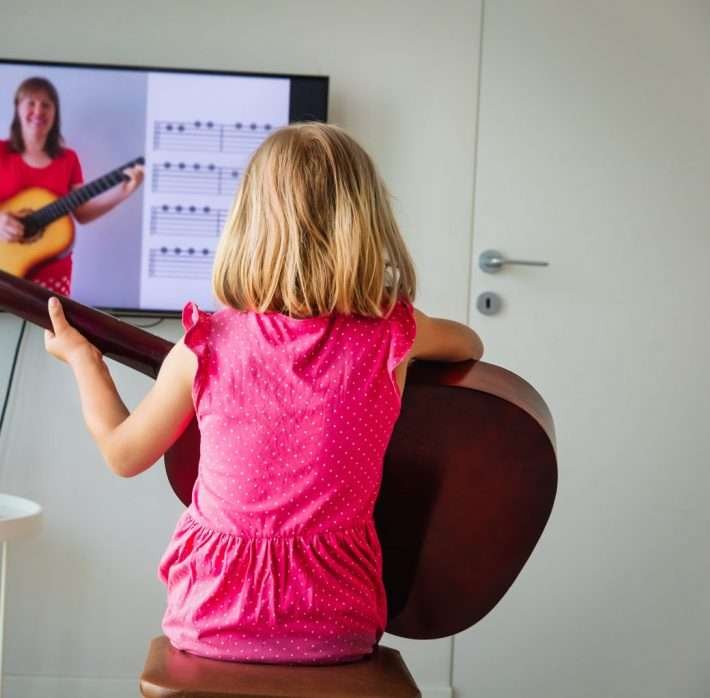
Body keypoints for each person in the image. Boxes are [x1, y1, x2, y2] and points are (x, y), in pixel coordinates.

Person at [42, 123, 484, 664]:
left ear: (248, 225)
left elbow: (122, 453)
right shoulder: (395, 335)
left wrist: (84, 358)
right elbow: (470, 344)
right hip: (338, 628)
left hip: (210, 619)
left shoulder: (206, 343)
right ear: (367, 224)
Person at [0, 76, 144, 295]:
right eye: (31, 102)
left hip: (54, 277)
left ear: (55, 113)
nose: (39, 110)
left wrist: (123, 192)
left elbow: (82, 213)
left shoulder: (68, 159)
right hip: (2, 271)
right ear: (18, 108)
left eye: (46, 104)